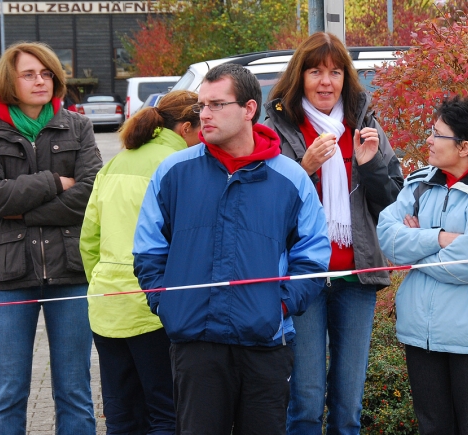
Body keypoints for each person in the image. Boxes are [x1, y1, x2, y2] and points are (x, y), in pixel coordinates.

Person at [133, 63, 331, 435]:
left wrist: (278, 306)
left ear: (249, 110)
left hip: (265, 343)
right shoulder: (172, 171)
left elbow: (313, 256)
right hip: (195, 343)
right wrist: (166, 302)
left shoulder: (290, 178)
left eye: (216, 105)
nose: (204, 115)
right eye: (201, 106)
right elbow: (148, 250)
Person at [263, 32, 403, 434]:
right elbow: (263, 207)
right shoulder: (277, 126)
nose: (326, 81)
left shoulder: (365, 123)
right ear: (299, 76)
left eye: (335, 72)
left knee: (348, 405)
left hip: (355, 278)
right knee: (305, 400)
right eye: (315, 71)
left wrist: (372, 165)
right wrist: (303, 169)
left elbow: (392, 203)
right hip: (303, 279)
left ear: (346, 78)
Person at [0, 42, 102, 434]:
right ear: (9, 81)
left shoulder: (78, 125)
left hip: (71, 272)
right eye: (29, 74)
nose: (40, 80)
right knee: (7, 392)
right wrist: (55, 182)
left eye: (47, 73)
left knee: (75, 390)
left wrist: (22, 211)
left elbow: (92, 192)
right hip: (7, 275)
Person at [377, 95, 468, 434]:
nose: (427, 140)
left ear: (464, 147)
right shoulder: (419, 183)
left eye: (436, 133)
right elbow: (387, 237)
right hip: (420, 333)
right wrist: (441, 238)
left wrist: (414, 250)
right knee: (433, 428)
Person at [79, 90, 201, 434]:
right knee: (165, 412)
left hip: (106, 304)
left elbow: (89, 238)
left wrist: (101, 281)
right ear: (187, 128)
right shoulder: (180, 165)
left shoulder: (118, 160)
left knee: (120, 415)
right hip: (154, 307)